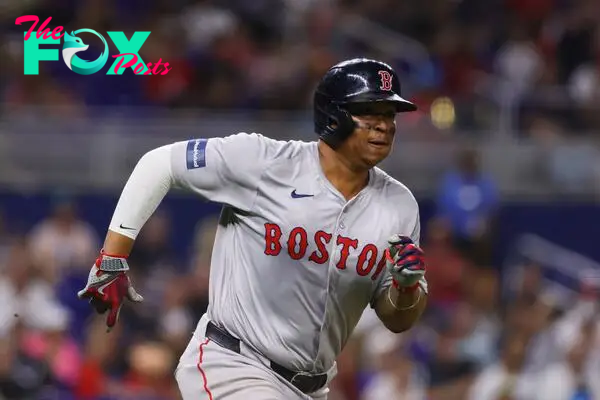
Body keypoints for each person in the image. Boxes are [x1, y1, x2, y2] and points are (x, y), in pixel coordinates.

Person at [77, 58, 429, 399]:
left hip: (312, 387)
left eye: (389, 114)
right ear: (333, 115)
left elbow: (397, 319)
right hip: (232, 363)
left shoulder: (399, 205)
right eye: (369, 112)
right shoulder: (265, 162)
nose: (384, 124)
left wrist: (407, 288)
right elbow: (159, 164)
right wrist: (113, 255)